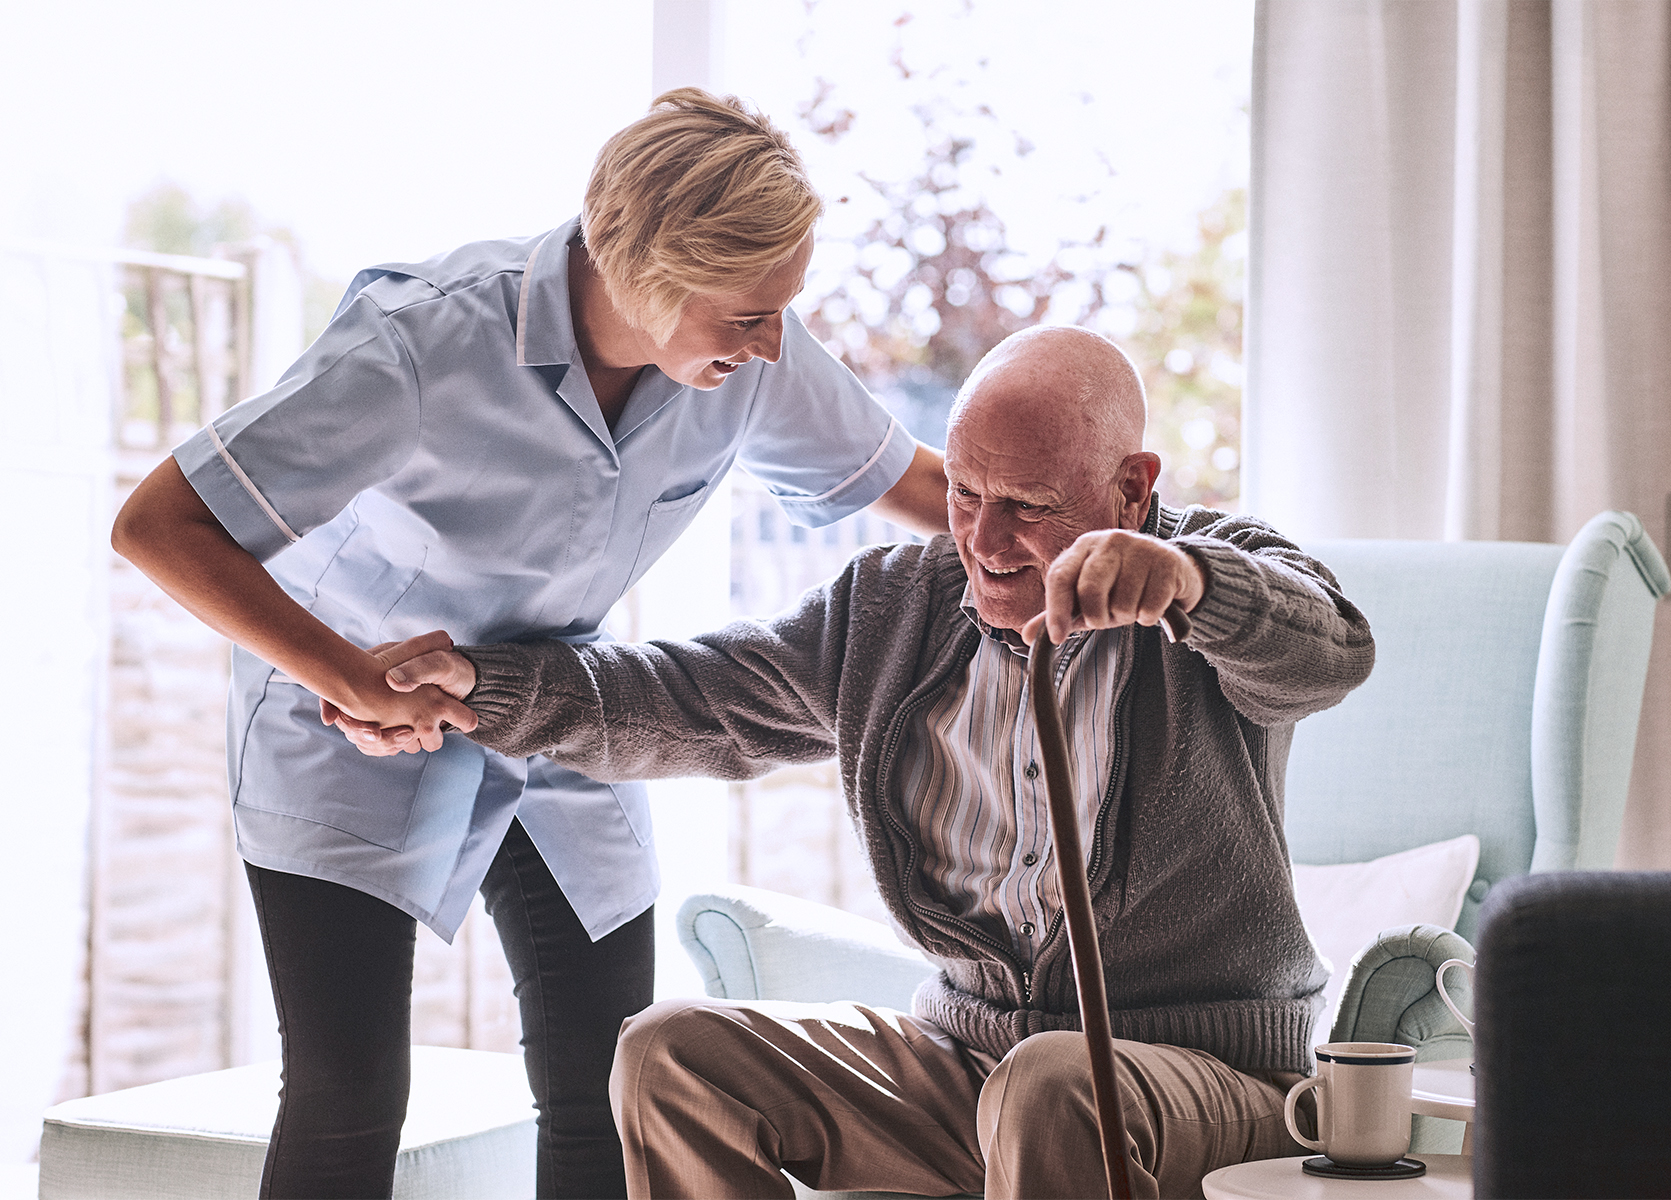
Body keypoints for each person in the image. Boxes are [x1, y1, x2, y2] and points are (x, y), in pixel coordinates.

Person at [110, 89, 951, 1200]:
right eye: (744, 317)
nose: (769, 346)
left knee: (611, 1081)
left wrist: (1113, 538)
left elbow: (934, 491)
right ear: (644, 270)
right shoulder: (426, 343)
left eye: (779, 313)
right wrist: (346, 674)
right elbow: (160, 524)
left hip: (559, 709)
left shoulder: (753, 355)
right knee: (348, 1091)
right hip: (349, 721)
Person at [358, 325, 1377, 1199]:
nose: (985, 538)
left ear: (1131, 485)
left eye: (1028, 505)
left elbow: (1329, 651)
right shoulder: (895, 611)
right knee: (672, 1053)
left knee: (1052, 1084)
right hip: (971, 1063)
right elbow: (691, 698)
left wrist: (1187, 584)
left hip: (1208, 1078)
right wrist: (476, 686)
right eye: (966, 492)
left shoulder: (1209, 573)